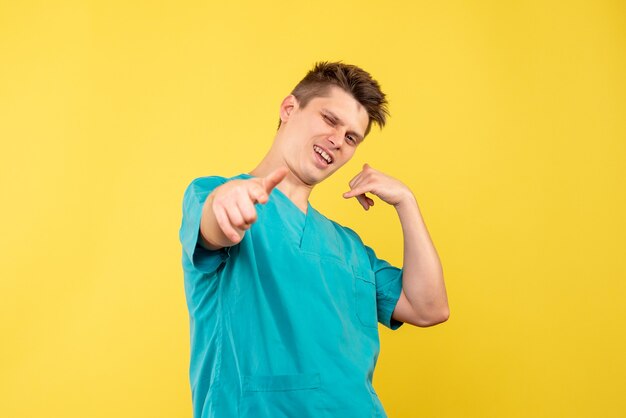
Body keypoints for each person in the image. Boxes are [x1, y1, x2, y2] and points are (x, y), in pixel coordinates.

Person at [179, 61, 449, 418]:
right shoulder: (217, 194)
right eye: (329, 119)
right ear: (289, 109)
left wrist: (406, 202)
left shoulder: (349, 248)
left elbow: (429, 308)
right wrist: (227, 203)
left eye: (351, 138)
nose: (337, 141)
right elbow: (214, 224)